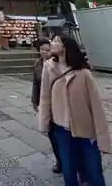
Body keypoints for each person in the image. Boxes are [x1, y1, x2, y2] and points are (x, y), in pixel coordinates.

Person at [39, 34, 111, 186]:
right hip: (61, 129)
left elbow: (96, 107)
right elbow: (45, 97)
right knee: (69, 169)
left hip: (86, 130)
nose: (52, 43)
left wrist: (103, 139)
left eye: (56, 40)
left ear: (66, 46)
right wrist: (44, 123)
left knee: (94, 170)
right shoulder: (48, 68)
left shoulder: (83, 73)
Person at [31, 38, 62, 174]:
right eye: (42, 50)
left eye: (47, 50)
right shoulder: (38, 64)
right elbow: (35, 83)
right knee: (51, 135)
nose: (44, 53)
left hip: (59, 103)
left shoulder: (59, 64)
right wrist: (35, 101)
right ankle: (59, 160)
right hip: (46, 104)